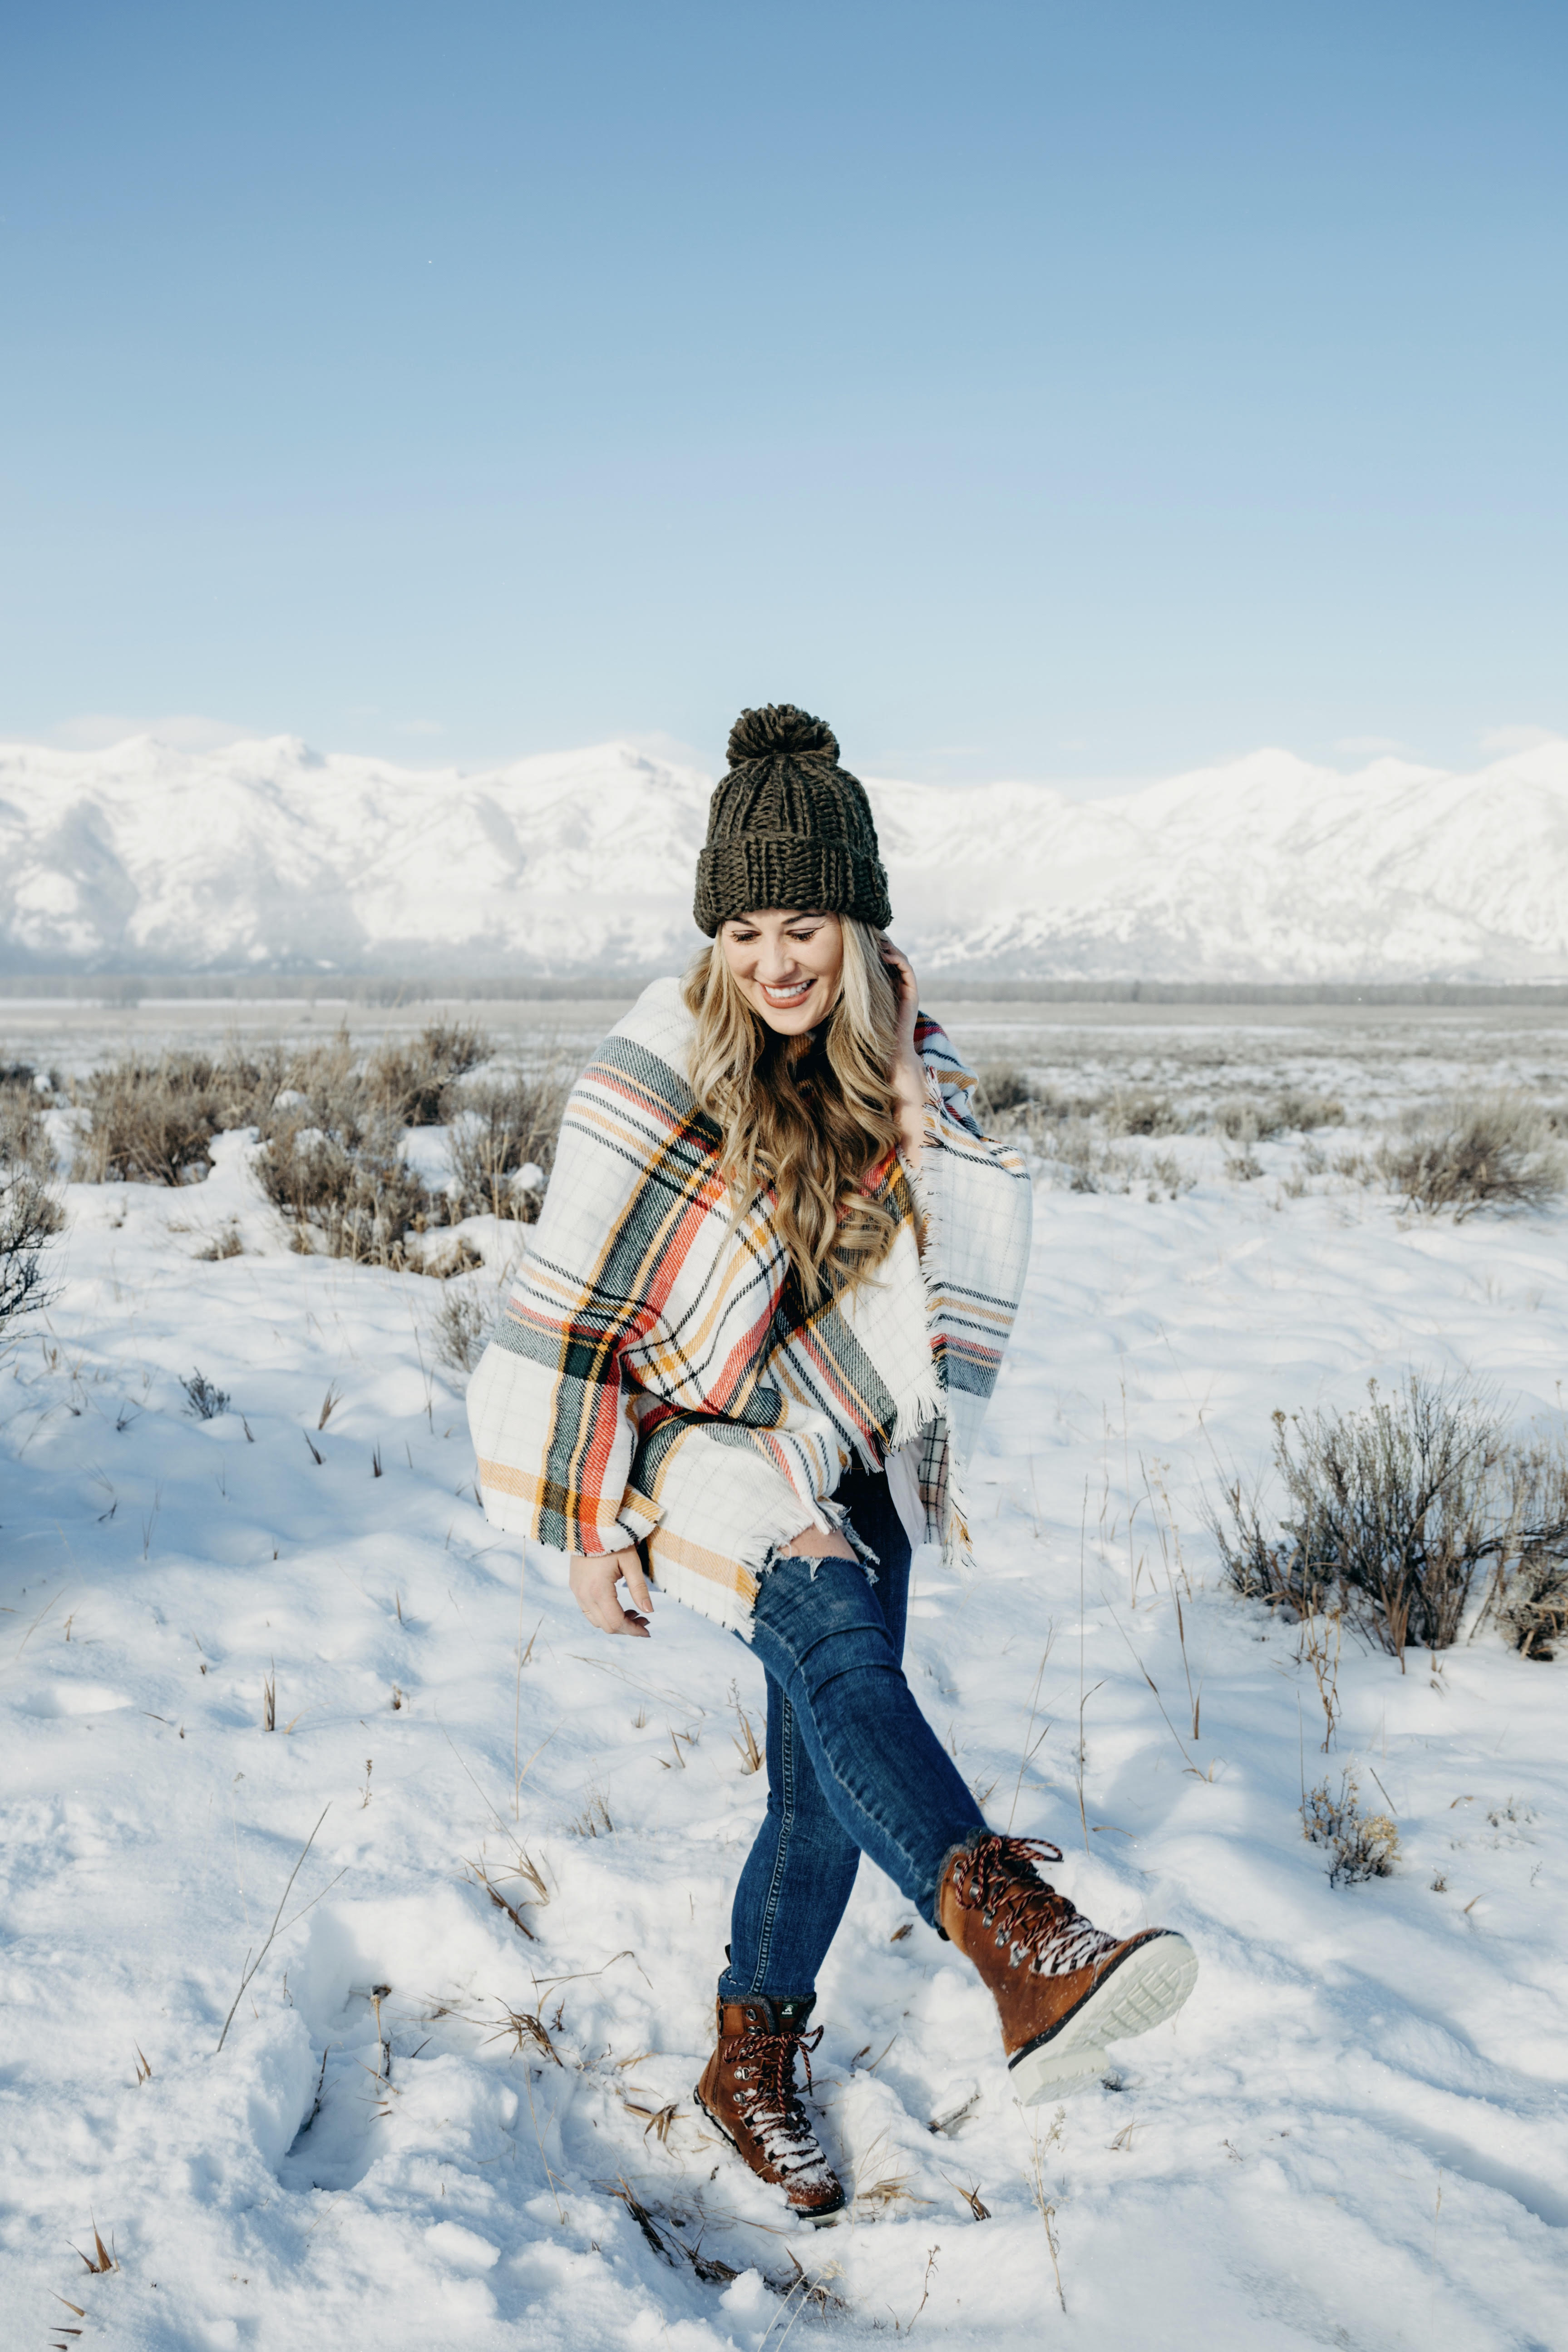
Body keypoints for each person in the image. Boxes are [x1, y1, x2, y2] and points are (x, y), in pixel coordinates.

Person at [468, 704, 1197, 2223]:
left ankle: (752, 2058)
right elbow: (570, 1300)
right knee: (845, 1660)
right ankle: (1023, 1938)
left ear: (858, 924)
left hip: (846, 1430)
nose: (774, 961)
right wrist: (595, 1521)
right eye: (742, 929)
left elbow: (960, 1258)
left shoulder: (904, 1062)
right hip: (693, 1442)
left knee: (820, 1779)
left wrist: (920, 1119)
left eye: (804, 923)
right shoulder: (658, 1064)